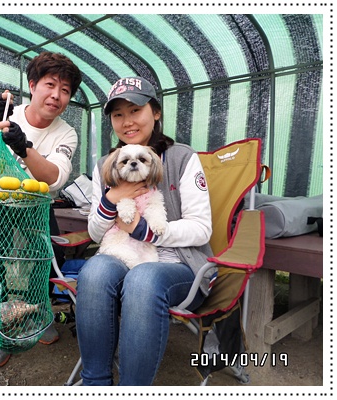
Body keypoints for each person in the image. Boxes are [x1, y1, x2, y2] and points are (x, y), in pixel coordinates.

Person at [75, 76, 214, 385]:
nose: (127, 122)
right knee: (94, 271)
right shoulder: (106, 165)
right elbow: (96, 234)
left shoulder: (182, 158)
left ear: (156, 112)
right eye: (118, 114)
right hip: (123, 254)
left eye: (135, 110)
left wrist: (145, 231)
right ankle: (94, 383)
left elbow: (202, 229)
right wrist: (112, 197)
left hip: (179, 265)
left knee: (143, 279)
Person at [0, 51, 82, 368]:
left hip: (36, 206)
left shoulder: (65, 133)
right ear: (33, 85)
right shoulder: (5, 114)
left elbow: (55, 178)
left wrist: (23, 147)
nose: (56, 95)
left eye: (65, 90)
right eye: (50, 85)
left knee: (49, 257)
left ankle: (37, 314)